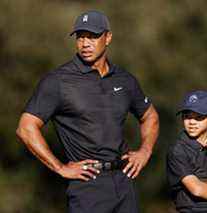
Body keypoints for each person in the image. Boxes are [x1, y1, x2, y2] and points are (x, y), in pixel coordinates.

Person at [16, 10, 159, 213]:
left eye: (92, 36)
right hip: (87, 185)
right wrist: (60, 167)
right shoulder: (58, 81)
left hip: (124, 181)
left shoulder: (124, 80)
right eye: (80, 37)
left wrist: (145, 151)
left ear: (108, 38)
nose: (85, 43)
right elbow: (26, 128)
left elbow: (150, 116)